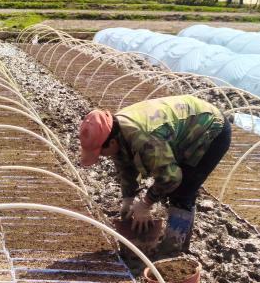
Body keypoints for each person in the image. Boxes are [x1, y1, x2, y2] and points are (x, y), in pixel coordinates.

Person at [79, 94, 231, 255]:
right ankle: (177, 243)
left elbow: (171, 178)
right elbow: (125, 164)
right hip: (181, 129)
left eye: (101, 152)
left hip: (210, 129)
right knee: (171, 187)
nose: (102, 156)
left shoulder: (144, 138)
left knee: (182, 190)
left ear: (112, 142)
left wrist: (145, 204)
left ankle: (173, 248)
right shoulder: (115, 131)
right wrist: (128, 198)